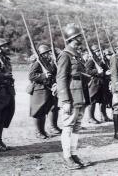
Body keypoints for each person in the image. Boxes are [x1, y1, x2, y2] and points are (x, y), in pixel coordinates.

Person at [57, 23, 90, 170]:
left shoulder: (76, 55)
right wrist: (65, 100)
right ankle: (67, 156)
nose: (81, 39)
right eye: (78, 37)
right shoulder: (65, 55)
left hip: (80, 95)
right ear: (72, 38)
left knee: (76, 126)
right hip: (71, 97)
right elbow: (61, 78)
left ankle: (74, 153)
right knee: (68, 126)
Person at [29, 44, 58, 139]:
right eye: (45, 53)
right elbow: (31, 76)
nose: (47, 54)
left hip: (47, 89)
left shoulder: (47, 62)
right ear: (41, 54)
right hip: (39, 90)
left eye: (48, 52)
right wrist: (43, 76)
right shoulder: (37, 62)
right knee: (38, 111)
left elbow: (52, 74)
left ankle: (43, 131)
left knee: (44, 111)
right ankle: (38, 132)